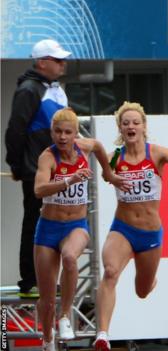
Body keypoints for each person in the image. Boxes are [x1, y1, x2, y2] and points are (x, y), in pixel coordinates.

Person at [94, 102, 168, 351]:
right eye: (125, 123)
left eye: (135, 122)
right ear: (120, 129)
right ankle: (103, 334)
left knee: (142, 291)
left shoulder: (157, 153)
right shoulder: (115, 156)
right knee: (110, 272)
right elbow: (106, 175)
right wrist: (110, 175)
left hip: (150, 234)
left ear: (144, 126)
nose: (131, 126)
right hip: (122, 228)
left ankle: (149, 280)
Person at [33, 108, 128, 351]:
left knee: (70, 258)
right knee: (45, 300)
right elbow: (39, 189)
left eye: (67, 132)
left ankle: (65, 316)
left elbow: (97, 145)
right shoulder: (48, 157)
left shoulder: (84, 148)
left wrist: (109, 174)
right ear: (52, 133)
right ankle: (47, 340)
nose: (62, 137)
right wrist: (69, 180)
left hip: (76, 225)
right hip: (48, 229)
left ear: (75, 134)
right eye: (57, 132)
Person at [5, 39, 71, 297]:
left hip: (60, 170)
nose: (62, 64)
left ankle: (47, 279)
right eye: (57, 60)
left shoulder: (56, 89)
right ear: (42, 62)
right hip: (37, 170)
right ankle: (30, 282)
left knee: (54, 225)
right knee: (35, 224)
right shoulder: (30, 90)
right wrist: (17, 165)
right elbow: (15, 130)